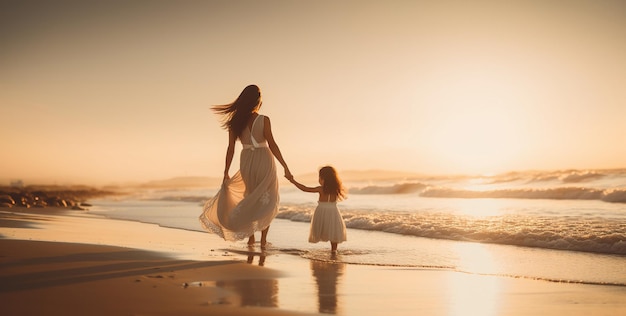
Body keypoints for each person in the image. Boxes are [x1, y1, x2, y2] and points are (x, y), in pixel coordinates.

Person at [200, 84, 292, 248]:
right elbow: (272, 144)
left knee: (251, 196)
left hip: (247, 161)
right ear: (257, 100)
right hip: (264, 160)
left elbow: (231, 149)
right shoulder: (263, 120)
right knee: (267, 201)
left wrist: (226, 171)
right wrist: (285, 165)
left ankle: (251, 238)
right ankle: (263, 240)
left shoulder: (235, 123)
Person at [289, 166, 347, 253]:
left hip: (321, 211)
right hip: (333, 212)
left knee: (324, 228)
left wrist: (293, 181)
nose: (319, 179)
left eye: (320, 177)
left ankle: (333, 250)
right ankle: (334, 250)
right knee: (333, 230)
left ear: (324, 178)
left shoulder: (321, 189)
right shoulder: (336, 189)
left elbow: (305, 189)